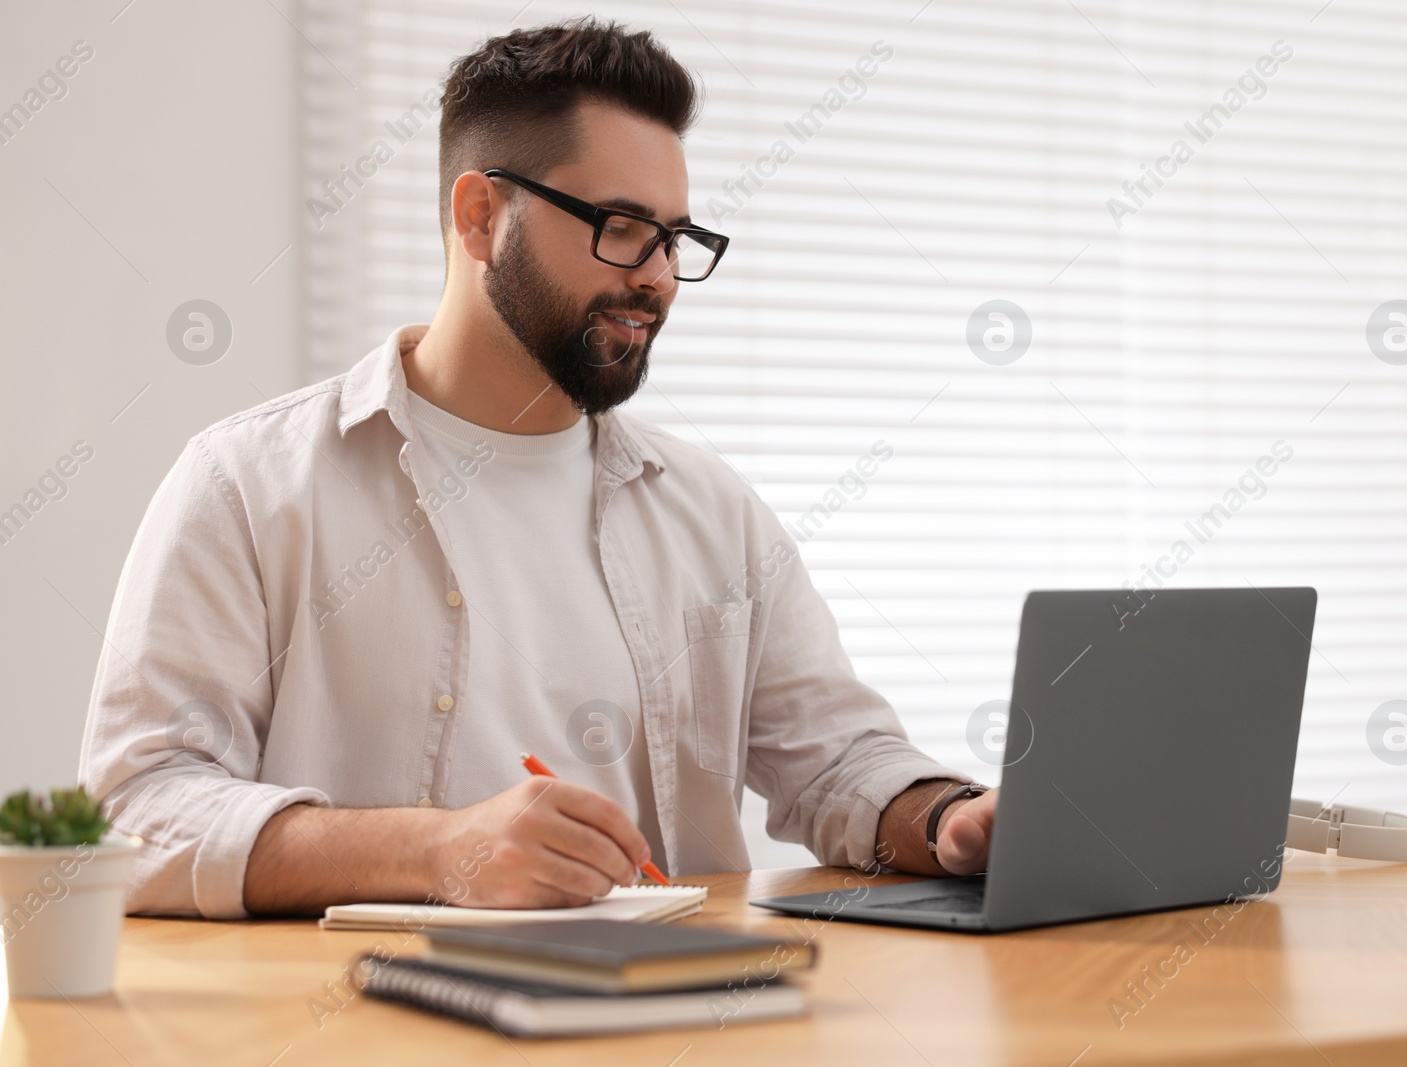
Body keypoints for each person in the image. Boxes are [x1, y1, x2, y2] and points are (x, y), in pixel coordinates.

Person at [79, 18, 998, 917]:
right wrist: (436, 852)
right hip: (358, 1020)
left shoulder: (716, 513)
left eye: (675, 238)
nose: (659, 278)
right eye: (624, 226)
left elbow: (837, 761)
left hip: (671, 1012)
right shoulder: (247, 484)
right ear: (480, 216)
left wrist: (952, 820)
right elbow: (136, 808)